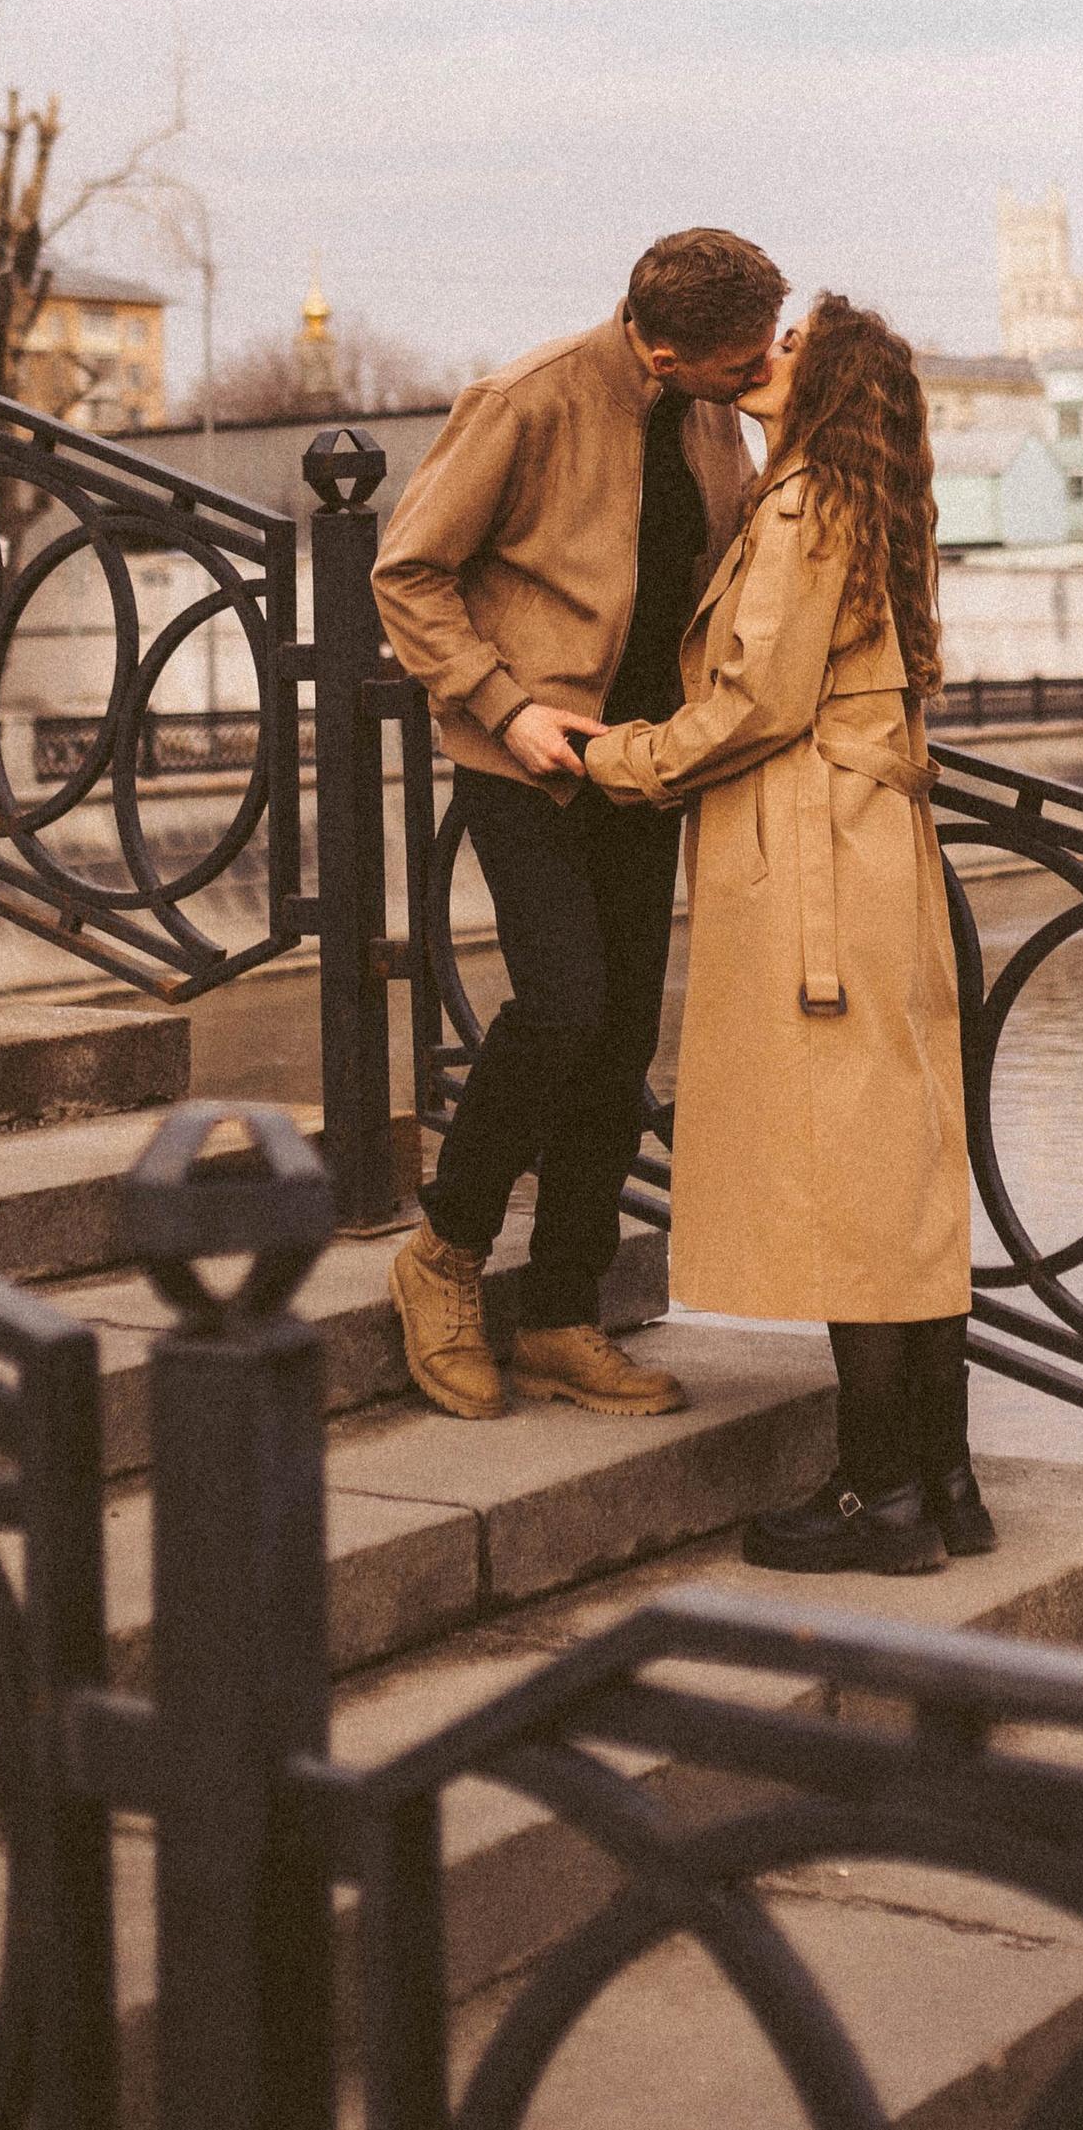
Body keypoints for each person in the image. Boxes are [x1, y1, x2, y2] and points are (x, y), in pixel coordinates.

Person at [564, 295, 989, 1574]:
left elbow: (758, 699)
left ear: (831, 384)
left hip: (815, 863)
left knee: (851, 1183)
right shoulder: (868, 500)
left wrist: (619, 757)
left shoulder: (804, 504)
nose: (767, 354)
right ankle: (943, 1477)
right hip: (874, 854)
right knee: (903, 1174)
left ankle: (878, 1495)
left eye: (792, 346)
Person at [371, 228, 788, 1420]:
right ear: (663, 351)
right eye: (742, 363)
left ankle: (560, 1313)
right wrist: (505, 708)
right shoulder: (524, 402)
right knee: (563, 1005)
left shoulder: (710, 411)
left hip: (642, 766)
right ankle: (444, 1253)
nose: (758, 374)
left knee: (618, 1041)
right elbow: (407, 572)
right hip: (525, 762)